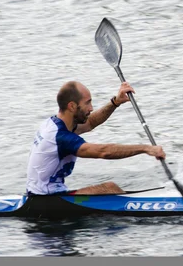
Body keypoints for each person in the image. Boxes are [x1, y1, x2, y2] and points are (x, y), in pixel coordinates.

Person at [26, 80, 166, 195]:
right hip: (47, 201)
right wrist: (145, 148)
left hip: (41, 195)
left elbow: (91, 122)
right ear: (72, 106)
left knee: (110, 189)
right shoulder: (60, 137)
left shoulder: (53, 123)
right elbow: (103, 151)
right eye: (87, 103)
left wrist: (115, 102)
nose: (91, 108)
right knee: (110, 188)